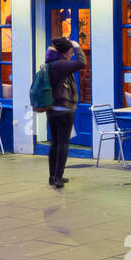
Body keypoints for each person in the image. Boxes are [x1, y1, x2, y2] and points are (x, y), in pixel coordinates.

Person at [45, 37, 86, 190]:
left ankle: (52, 176)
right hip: (64, 109)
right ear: (65, 51)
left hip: (52, 109)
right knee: (63, 144)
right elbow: (82, 63)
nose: (72, 54)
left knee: (55, 143)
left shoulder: (50, 63)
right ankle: (58, 177)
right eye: (70, 51)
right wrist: (77, 47)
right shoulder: (61, 64)